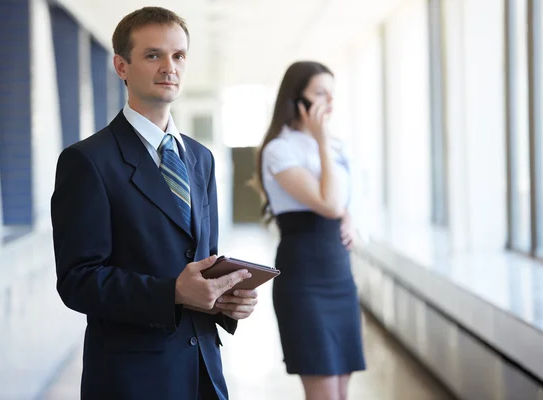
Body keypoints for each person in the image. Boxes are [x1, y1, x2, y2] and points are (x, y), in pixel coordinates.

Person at [50, 7, 258, 400]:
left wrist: (226, 299)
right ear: (121, 66)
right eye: (153, 55)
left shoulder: (200, 158)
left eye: (178, 55)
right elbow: (77, 281)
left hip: (202, 373)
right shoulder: (88, 161)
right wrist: (173, 293)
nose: (169, 67)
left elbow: (203, 259)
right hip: (133, 378)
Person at [256, 61, 366, 400]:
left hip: (339, 275)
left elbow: (342, 203)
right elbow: (327, 203)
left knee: (342, 391)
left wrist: (349, 216)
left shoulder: (336, 146)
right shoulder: (279, 149)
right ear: (296, 99)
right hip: (304, 280)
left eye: (332, 95)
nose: (329, 103)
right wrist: (321, 141)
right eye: (320, 94)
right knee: (324, 394)